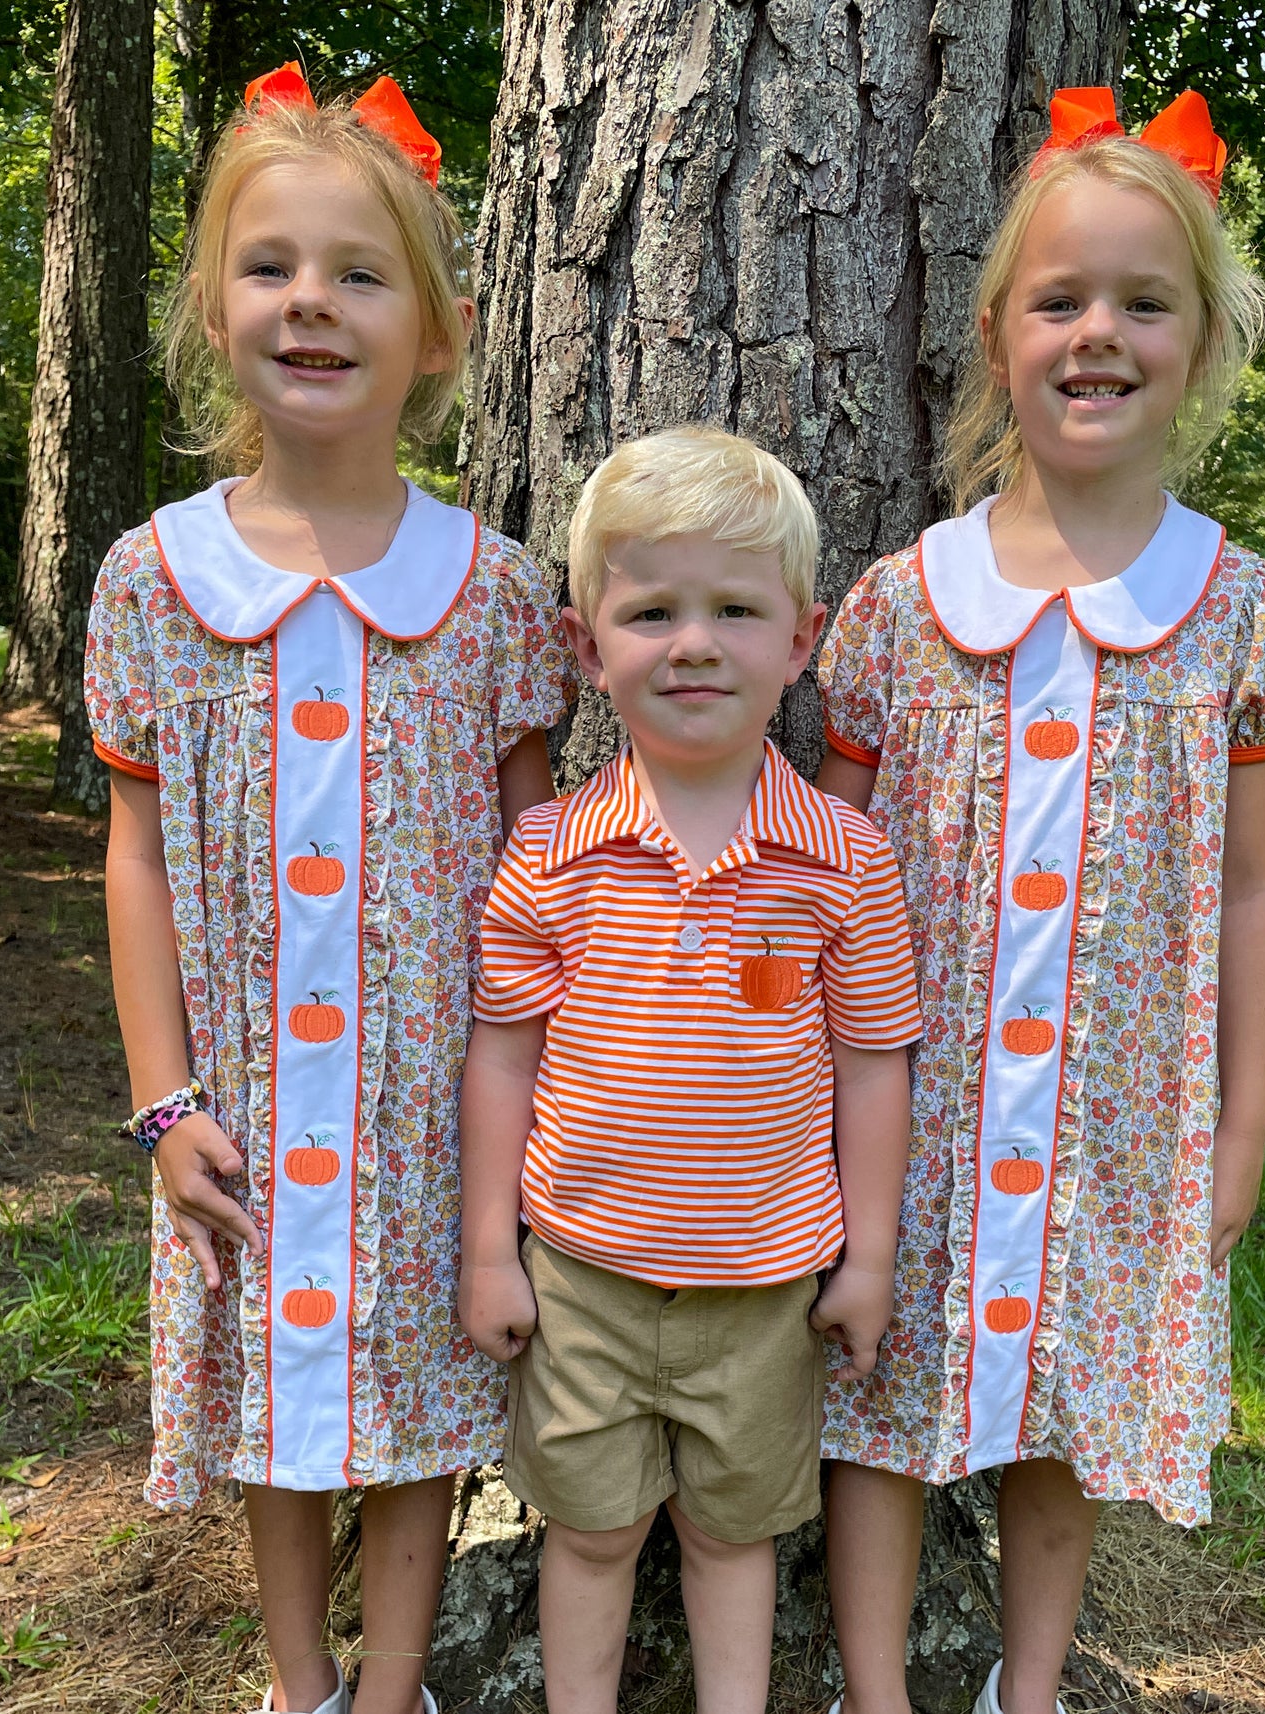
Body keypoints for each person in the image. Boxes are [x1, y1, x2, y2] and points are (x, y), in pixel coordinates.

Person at [84, 62, 578, 1714]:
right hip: (237, 1106)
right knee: (272, 1401)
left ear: (432, 330)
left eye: (359, 273)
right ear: (214, 310)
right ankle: (299, 1685)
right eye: (271, 267)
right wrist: (164, 1100)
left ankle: (394, 1689)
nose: (312, 303)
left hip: (431, 1106)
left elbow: (531, 877)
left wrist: (527, 1111)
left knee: (419, 1404)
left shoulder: (494, 592)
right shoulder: (156, 581)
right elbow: (137, 851)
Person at [814, 89, 1265, 1714]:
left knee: (1062, 1408)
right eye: (1059, 299)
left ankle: (1026, 1688)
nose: (1097, 332)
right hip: (922, 1100)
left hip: (1116, 1109)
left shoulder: (1234, 609)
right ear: (996, 332)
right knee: (877, 1402)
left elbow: (1250, 887)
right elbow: (837, 868)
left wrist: (1234, 1125)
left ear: (1204, 338)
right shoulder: (904, 608)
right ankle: (879, 1689)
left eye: (1141, 301)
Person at [457, 426, 922, 1714]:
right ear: (585, 645)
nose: (695, 642)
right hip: (582, 1279)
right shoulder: (550, 852)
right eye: (651, 610)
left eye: (734, 608)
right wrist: (491, 1251)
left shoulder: (842, 859)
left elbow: (874, 1066)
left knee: (734, 1536)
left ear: (803, 635)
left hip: (766, 1289)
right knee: (592, 1533)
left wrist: (869, 1260)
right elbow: (504, 1053)